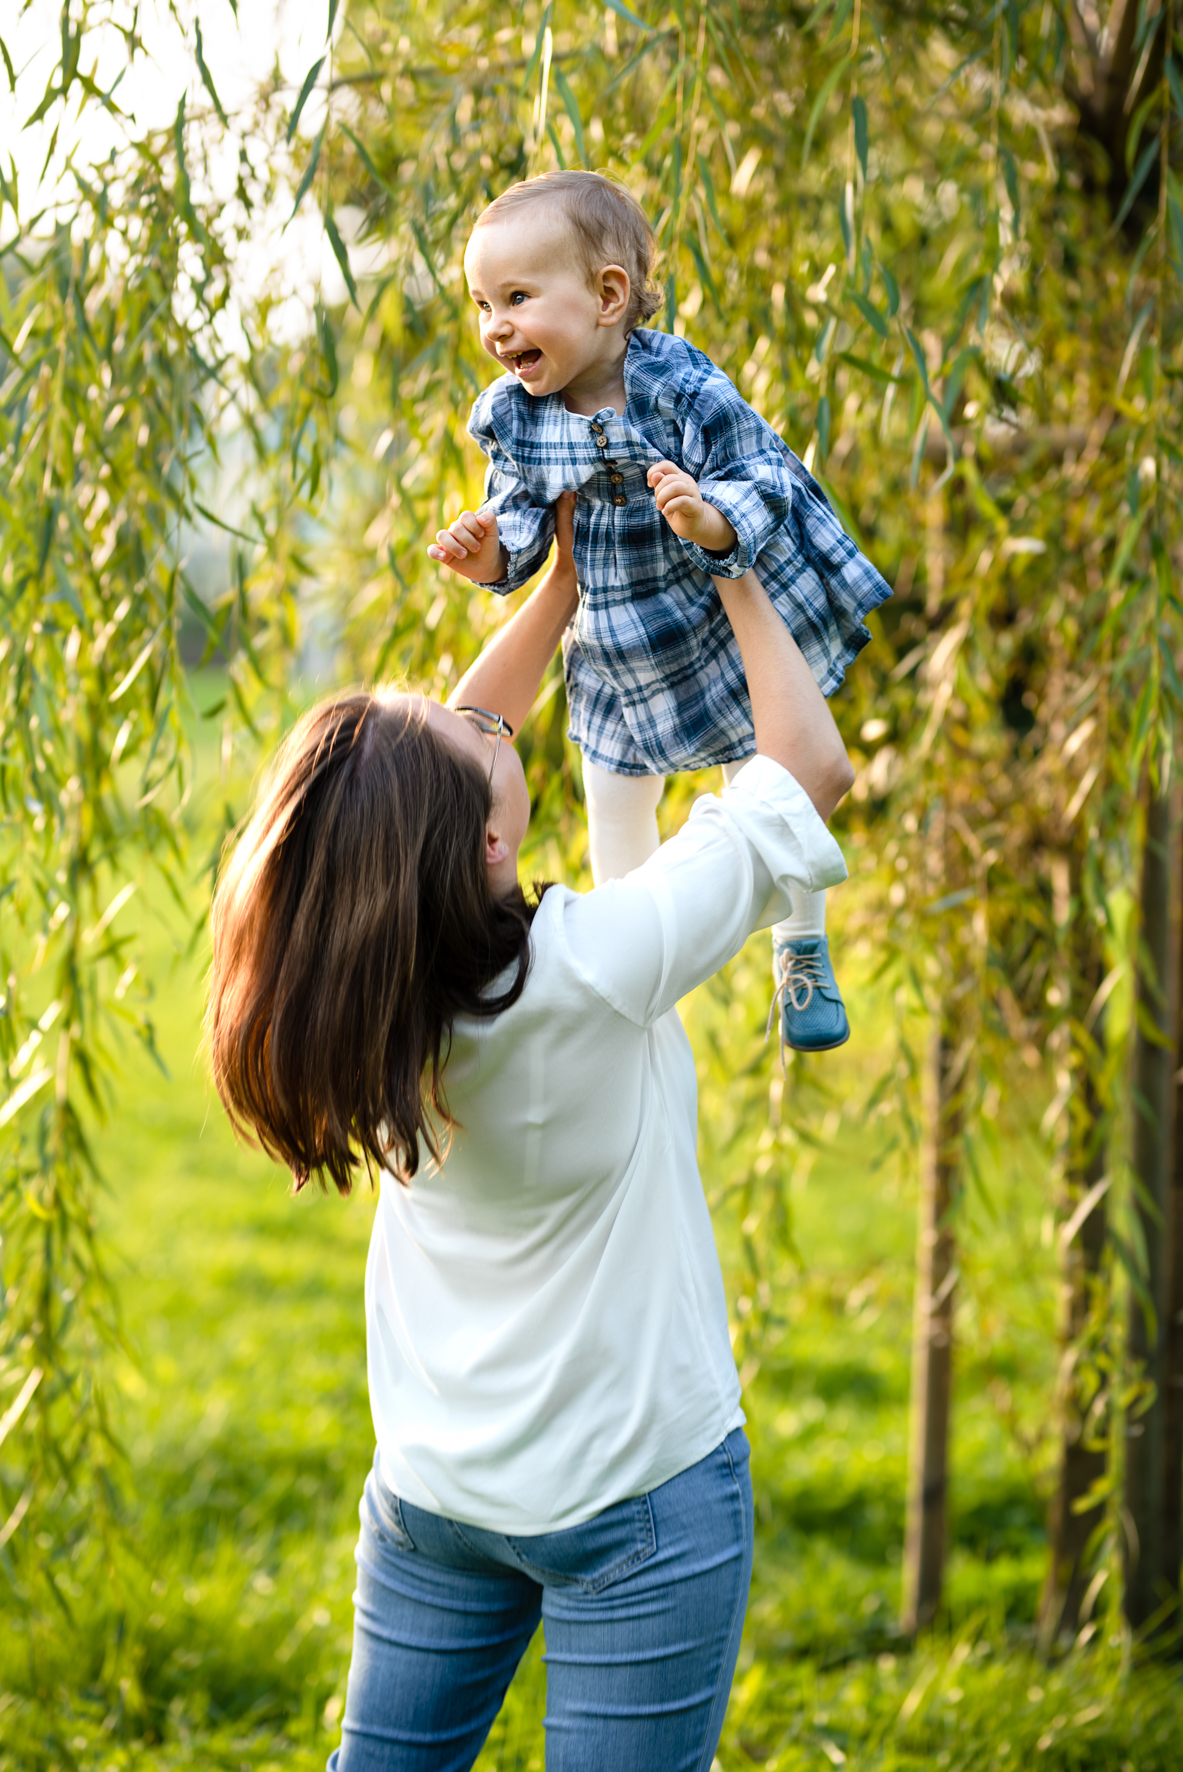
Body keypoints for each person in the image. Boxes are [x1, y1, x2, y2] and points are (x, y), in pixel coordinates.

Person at [205, 496, 853, 1772]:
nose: (478, 711)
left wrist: (560, 584)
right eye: (465, 730)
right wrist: (731, 564)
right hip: (635, 1502)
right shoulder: (597, 965)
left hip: (437, 1494)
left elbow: (427, 796)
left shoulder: (369, 1007)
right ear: (489, 840)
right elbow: (807, 769)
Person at [427, 169, 889, 1055]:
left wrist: (711, 519)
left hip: (716, 629)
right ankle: (632, 959)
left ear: (608, 297)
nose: (494, 327)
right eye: (482, 304)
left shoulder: (680, 384)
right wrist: (492, 555)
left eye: (516, 298)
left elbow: (762, 469)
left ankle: (800, 943)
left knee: (772, 778)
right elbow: (521, 515)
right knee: (612, 799)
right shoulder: (515, 418)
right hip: (613, 644)